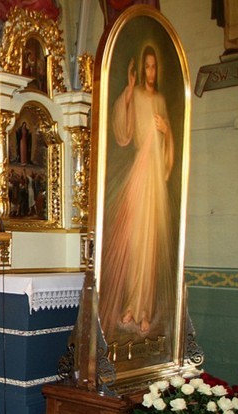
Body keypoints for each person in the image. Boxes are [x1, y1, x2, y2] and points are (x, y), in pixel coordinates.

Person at [100, 45, 175, 338]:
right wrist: (129, 91)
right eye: (147, 66)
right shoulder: (139, 95)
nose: (151, 72)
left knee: (149, 244)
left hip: (154, 176)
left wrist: (166, 130)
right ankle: (131, 305)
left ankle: (145, 310)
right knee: (134, 243)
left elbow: (169, 146)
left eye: (154, 66)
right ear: (142, 69)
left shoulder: (161, 101)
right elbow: (124, 132)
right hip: (140, 173)